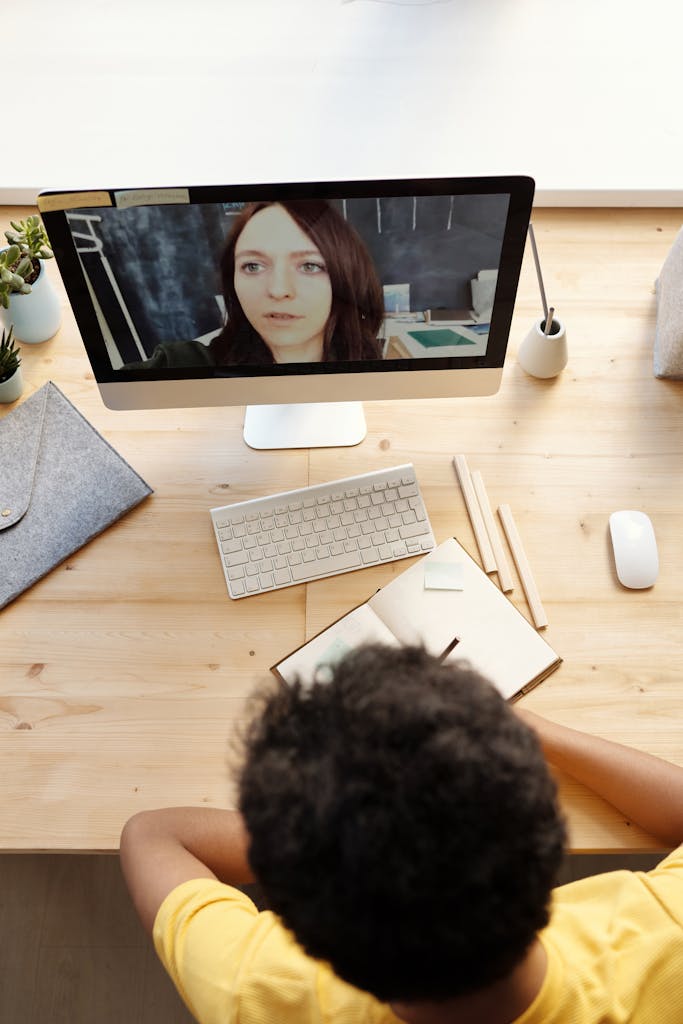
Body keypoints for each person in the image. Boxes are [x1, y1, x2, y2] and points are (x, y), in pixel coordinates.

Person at [120, 644, 683, 1024]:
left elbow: (153, 835)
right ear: (549, 839)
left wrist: (310, 832)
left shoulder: (255, 987)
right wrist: (538, 733)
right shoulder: (667, 927)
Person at [124, 200, 385, 369]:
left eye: (309, 266)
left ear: (346, 278)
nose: (278, 290)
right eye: (253, 266)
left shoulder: (366, 366)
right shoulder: (184, 365)